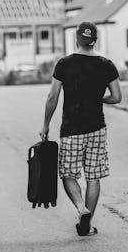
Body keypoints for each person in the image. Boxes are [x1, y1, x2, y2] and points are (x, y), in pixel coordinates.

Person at [40, 21, 122, 236]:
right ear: (95, 40)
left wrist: (45, 125)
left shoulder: (65, 64)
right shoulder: (107, 64)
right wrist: (98, 99)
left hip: (71, 128)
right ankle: (87, 223)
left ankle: (81, 209)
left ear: (77, 39)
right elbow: (117, 97)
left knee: (68, 173)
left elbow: (53, 97)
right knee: (93, 176)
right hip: (97, 128)